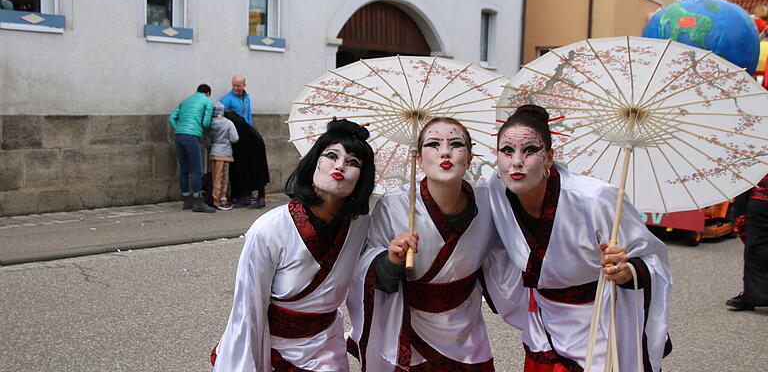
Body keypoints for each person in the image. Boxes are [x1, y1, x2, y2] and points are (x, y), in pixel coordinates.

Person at [487, 105, 672, 371]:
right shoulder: (495, 189)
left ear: (549, 158)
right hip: (543, 323)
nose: (516, 161)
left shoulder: (595, 198)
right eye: (507, 151)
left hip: (598, 322)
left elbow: (652, 258)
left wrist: (627, 270)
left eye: (529, 150)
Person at [347, 117, 516, 371]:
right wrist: (390, 260)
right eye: (433, 144)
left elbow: (519, 241)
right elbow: (363, 269)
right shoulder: (394, 205)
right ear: (418, 159)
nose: (445, 151)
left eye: (456, 144)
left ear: (469, 158)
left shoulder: (489, 201)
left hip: (465, 327)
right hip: (409, 325)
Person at [211, 119, 376, 372]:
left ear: (361, 178)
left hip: (325, 349)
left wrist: (392, 260)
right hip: (273, 347)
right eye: (332, 155)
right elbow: (248, 310)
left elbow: (369, 277)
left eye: (353, 162)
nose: (340, 165)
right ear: (314, 163)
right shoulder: (270, 229)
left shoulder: (361, 225)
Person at [168, 84, 216, 213]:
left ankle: (186, 199)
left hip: (179, 136)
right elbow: (205, 123)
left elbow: (171, 118)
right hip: (192, 136)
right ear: (208, 93)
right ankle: (198, 201)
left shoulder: (186, 100)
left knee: (184, 169)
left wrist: (178, 128)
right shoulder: (208, 101)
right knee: (197, 169)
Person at [726, 173, 768, 310]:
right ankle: (751, 295)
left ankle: (751, 296)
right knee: (755, 250)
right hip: (760, 200)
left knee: (756, 249)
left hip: (760, 199)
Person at [223, 110, 270, 209]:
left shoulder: (234, 123)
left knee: (254, 171)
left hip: (253, 147)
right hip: (252, 145)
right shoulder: (241, 124)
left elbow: (236, 139)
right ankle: (247, 198)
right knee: (249, 171)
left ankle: (260, 199)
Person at [204, 102, 239, 210]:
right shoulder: (228, 123)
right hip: (224, 153)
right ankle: (220, 200)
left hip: (214, 152)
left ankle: (214, 199)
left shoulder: (210, 124)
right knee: (223, 178)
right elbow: (235, 138)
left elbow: (208, 142)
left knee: (215, 177)